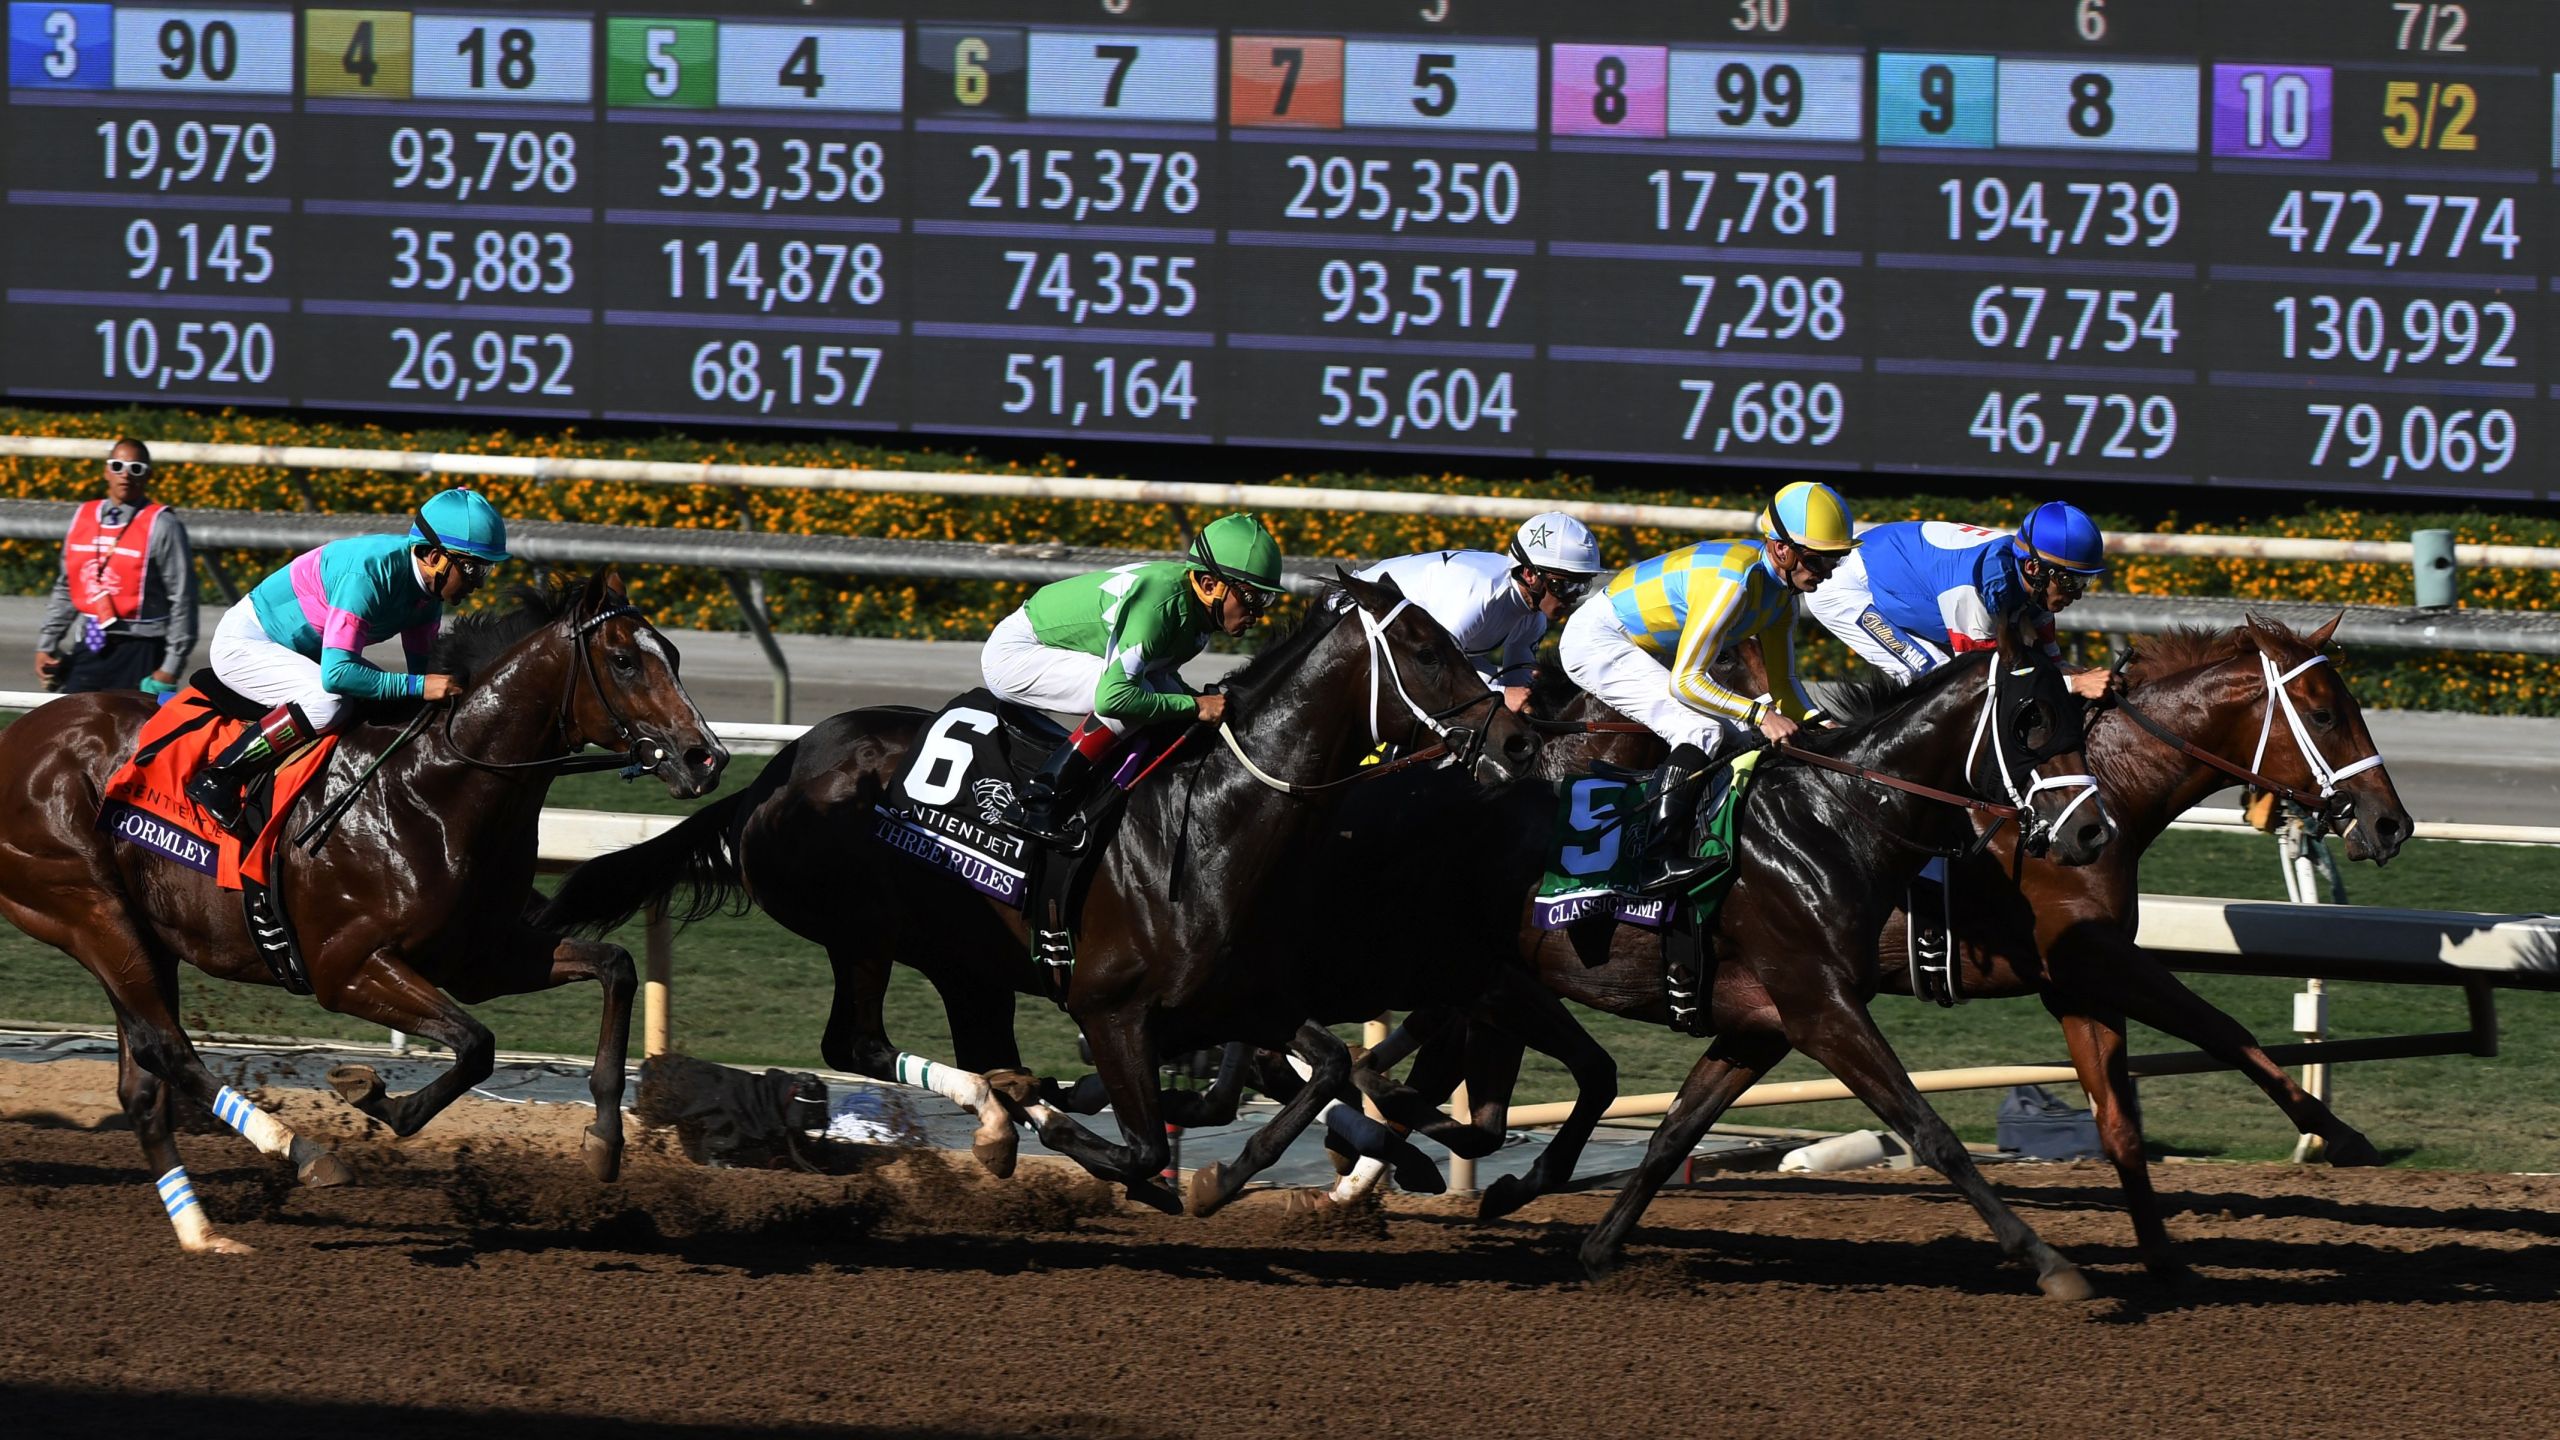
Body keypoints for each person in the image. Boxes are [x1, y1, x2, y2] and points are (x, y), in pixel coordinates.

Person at [1560, 480, 1859, 894]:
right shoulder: (1734, 581)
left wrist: (1819, 724)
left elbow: (1787, 684)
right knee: (1700, 730)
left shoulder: (1781, 598)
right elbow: (1687, 682)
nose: (1824, 574)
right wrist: (1761, 713)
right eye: (1816, 561)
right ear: (1781, 549)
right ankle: (1653, 859)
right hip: (1601, 638)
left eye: (1835, 561)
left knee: (1744, 736)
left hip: (1650, 646)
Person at [184, 488, 507, 834]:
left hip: (303, 655)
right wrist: (420, 686)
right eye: (472, 568)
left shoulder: (428, 593)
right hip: (247, 643)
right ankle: (220, 776)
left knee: (392, 705)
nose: (477, 584)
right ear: (432, 556)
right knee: (329, 702)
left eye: (484, 571)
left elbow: (422, 672)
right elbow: (337, 674)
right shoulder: (367, 575)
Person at [982, 512, 1286, 844]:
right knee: (1138, 700)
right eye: (1251, 597)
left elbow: (1162, 676)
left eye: (1267, 599)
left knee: (1169, 702)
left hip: (1060, 648)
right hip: (1017, 655)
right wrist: (1195, 704)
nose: (1257, 613)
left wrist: (1195, 702)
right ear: (1210, 585)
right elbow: (1113, 698)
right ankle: (1035, 802)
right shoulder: (1161, 605)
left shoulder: (1197, 614)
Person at [1803, 501, 2117, 702]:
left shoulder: (2034, 584)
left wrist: (2085, 677)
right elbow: (1982, 684)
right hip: (1844, 587)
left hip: (1903, 575)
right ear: (2034, 569)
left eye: (2085, 582)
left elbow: (2055, 666)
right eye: (2071, 581)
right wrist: (2074, 685)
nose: (2077, 593)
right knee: (1937, 678)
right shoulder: (1976, 587)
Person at [1353, 512, 1604, 712]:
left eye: (1582, 585)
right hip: (1354, 613)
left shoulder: (1533, 619)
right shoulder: (1479, 595)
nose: (1572, 596)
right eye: (1565, 584)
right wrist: (1503, 694)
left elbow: (1518, 685)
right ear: (1530, 575)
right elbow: (1427, 669)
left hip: (1405, 644)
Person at [34, 438, 196, 697]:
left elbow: (183, 598)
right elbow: (67, 587)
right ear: (106, 471)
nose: (126, 475)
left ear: (148, 475)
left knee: (132, 736)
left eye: (136, 468)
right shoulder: (83, 516)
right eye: (118, 466)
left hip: (141, 649)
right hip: (91, 643)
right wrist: (46, 644)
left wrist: (171, 666)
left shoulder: (163, 524)